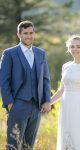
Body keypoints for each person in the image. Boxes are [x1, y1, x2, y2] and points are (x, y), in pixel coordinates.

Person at [0, 20, 51, 150]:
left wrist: (47, 101)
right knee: (13, 145)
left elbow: (45, 79)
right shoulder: (10, 53)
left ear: (34, 33)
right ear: (19, 34)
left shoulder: (40, 53)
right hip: (17, 105)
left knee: (28, 146)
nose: (28, 36)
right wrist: (9, 104)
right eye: (25, 33)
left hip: (36, 106)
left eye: (31, 33)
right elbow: (3, 80)